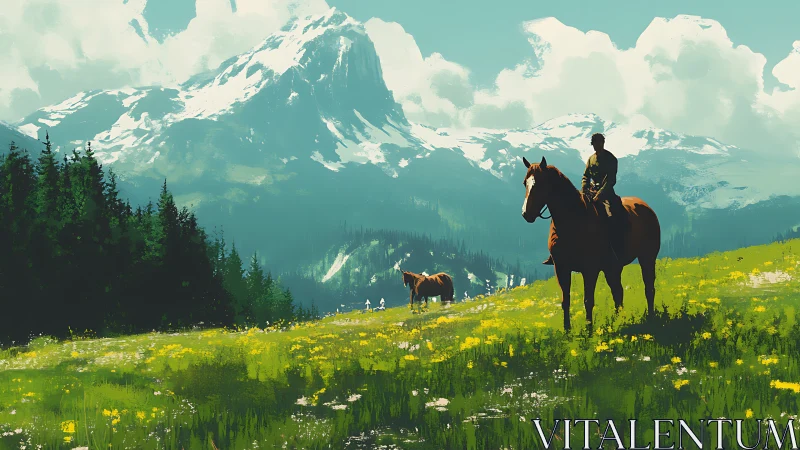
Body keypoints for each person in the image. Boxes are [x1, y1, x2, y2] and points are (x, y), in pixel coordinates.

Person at [543, 133, 627, 265]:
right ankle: (557, 250)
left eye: (598, 143)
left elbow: (611, 180)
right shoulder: (590, 159)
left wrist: (600, 194)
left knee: (612, 216)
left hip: (607, 194)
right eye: (594, 143)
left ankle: (613, 248)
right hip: (590, 191)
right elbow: (585, 176)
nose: (596, 146)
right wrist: (585, 188)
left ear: (603, 143)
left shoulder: (611, 159)